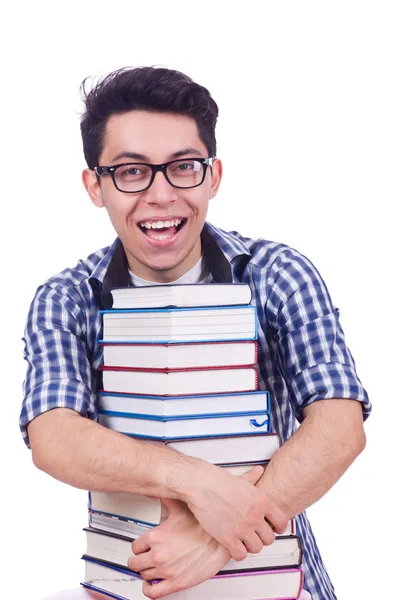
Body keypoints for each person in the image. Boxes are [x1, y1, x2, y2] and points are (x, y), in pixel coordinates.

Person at [20, 66, 371, 600]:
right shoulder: (67, 298)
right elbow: (53, 436)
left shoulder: (277, 274)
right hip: (136, 582)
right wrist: (199, 484)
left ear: (213, 176)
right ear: (95, 185)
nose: (161, 196)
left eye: (183, 167)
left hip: (280, 584)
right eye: (132, 171)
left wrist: (217, 540)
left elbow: (339, 426)